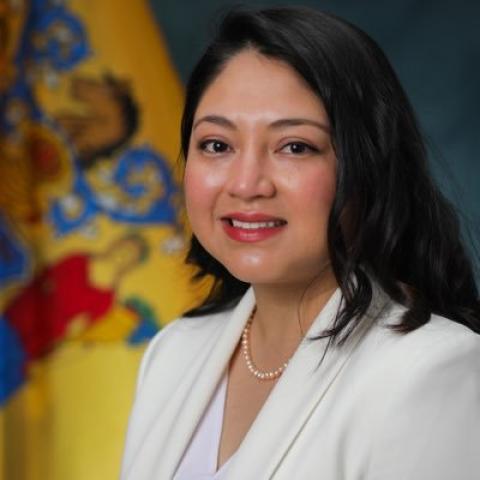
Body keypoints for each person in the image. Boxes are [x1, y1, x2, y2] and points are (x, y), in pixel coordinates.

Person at [121, 6, 480, 479]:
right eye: (217, 145)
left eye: (295, 146)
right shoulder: (172, 353)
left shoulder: (430, 370)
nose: (247, 184)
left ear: (367, 169)